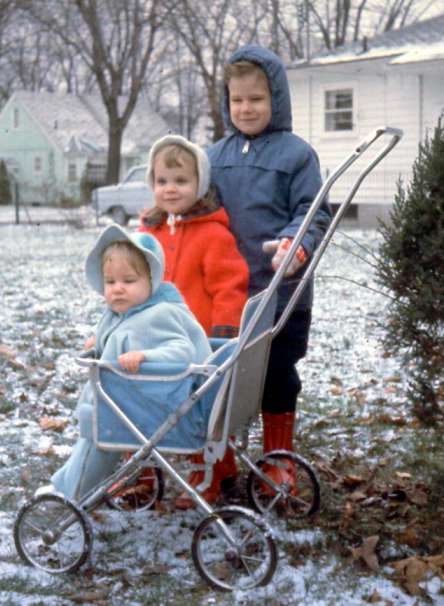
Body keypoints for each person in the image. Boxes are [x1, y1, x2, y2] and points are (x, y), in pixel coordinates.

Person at [207, 45, 332, 489]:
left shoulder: (297, 155)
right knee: (220, 379)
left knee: (278, 373)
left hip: (282, 294)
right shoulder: (213, 156)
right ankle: (216, 458)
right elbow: (200, 209)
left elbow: (313, 210)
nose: (246, 108)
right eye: (237, 99)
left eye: (256, 99)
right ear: (226, 100)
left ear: (276, 100)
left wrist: (296, 246)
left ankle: (278, 460)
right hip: (226, 296)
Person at [37, 225, 212, 502]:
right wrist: (100, 342)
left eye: (129, 281)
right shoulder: (126, 312)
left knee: (98, 437)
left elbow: (182, 351)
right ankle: (70, 485)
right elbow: (123, 332)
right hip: (136, 400)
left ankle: (76, 494)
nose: (118, 289)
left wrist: (146, 356)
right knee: (94, 435)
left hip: (166, 408)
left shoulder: (160, 314)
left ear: (151, 280)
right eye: (110, 282)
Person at [140, 134, 249, 508]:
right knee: (135, 400)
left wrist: (223, 333)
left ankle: (217, 472)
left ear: (199, 184)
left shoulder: (213, 235)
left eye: (181, 181)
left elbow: (229, 286)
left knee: (202, 414)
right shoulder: (146, 235)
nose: (170, 189)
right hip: (153, 342)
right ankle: (136, 471)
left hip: (198, 343)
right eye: (161, 181)